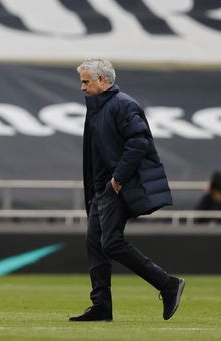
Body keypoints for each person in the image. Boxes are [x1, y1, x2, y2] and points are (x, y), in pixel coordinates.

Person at [70, 58, 184, 322]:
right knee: (95, 245)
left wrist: (118, 180)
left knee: (110, 242)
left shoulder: (123, 104)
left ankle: (167, 284)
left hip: (116, 188)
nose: (82, 88)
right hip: (100, 190)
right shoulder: (98, 107)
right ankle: (101, 306)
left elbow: (139, 144)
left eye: (86, 82)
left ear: (101, 81)